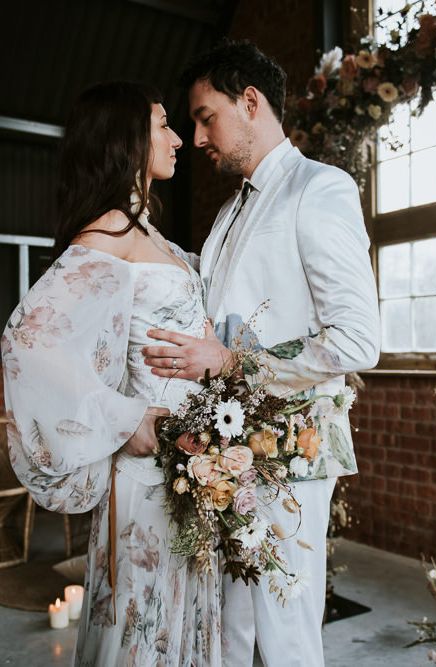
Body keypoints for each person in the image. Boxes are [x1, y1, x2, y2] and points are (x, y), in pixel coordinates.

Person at [141, 40, 380, 666]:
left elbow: (357, 340)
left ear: (250, 102)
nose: (197, 137)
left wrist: (231, 364)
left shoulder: (320, 189)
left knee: (286, 629)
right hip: (230, 454)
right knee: (233, 624)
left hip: (292, 452)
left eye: (204, 116)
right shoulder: (229, 211)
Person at [2, 81, 225, 665]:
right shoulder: (107, 233)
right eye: (162, 125)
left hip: (190, 467)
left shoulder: (144, 230)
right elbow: (29, 344)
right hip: (148, 475)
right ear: (126, 139)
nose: (178, 139)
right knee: (139, 625)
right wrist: (128, 420)